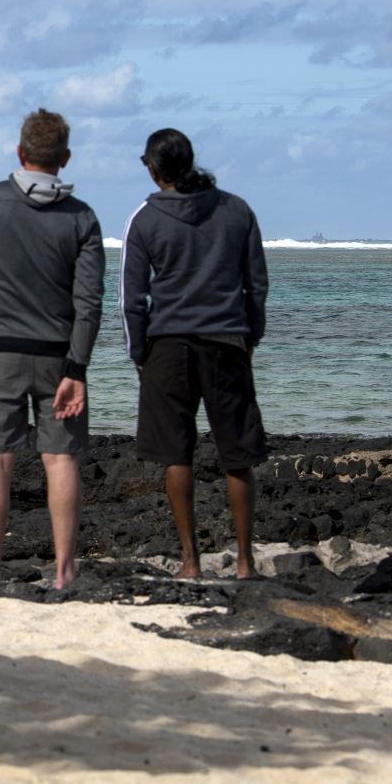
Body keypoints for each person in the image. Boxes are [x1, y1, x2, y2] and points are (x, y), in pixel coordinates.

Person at [0, 109, 104, 597]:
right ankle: (65, 573)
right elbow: (90, 301)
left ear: (20, 153)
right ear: (64, 158)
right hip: (58, 355)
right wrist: (78, 368)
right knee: (60, 460)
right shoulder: (82, 217)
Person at [119, 128, 268, 580]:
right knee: (237, 456)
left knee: (176, 455)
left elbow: (131, 298)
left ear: (153, 168)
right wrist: (250, 338)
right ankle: (244, 563)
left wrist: (139, 352)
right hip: (227, 341)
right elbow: (256, 285)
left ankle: (190, 563)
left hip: (167, 346)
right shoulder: (237, 210)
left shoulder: (145, 219)